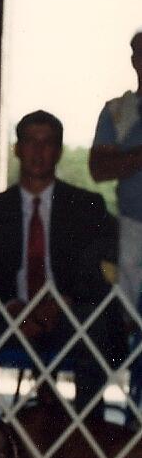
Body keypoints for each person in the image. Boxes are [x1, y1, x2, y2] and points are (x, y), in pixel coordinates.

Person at [0, 111, 118, 416]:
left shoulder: (87, 206)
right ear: (17, 148)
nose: (38, 151)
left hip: (65, 314)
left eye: (48, 143)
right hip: (9, 313)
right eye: (30, 142)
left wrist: (58, 305)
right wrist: (14, 307)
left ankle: (91, 431)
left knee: (98, 324)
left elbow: (95, 274)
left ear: (59, 150)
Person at [90, 30, 142, 315]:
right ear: (134, 60)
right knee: (127, 313)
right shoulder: (117, 111)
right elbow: (99, 169)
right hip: (132, 226)